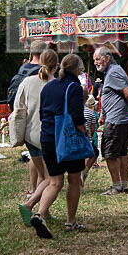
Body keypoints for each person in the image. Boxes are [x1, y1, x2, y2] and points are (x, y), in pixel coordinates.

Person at [29, 54, 89, 239]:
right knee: (73, 180)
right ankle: (70, 221)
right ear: (78, 70)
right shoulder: (75, 87)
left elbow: (41, 113)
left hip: (47, 138)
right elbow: (77, 117)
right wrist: (85, 133)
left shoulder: (48, 87)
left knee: (54, 181)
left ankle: (39, 214)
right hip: (68, 139)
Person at [16, 49, 58, 208]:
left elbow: (18, 107)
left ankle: (41, 211)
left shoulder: (26, 82)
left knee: (43, 177)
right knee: (51, 179)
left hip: (29, 135)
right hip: (48, 136)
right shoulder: (57, 85)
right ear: (57, 66)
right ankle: (33, 207)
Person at [93, 46, 128, 195]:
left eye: (98, 59)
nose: (95, 63)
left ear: (107, 58)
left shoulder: (113, 72)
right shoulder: (113, 71)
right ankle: (123, 186)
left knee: (110, 154)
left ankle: (116, 186)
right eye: (94, 60)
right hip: (120, 119)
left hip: (116, 120)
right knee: (122, 153)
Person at [10, 40, 48, 195]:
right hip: (37, 119)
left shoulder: (23, 68)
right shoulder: (40, 72)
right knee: (42, 160)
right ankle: (39, 189)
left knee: (34, 155)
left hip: (23, 117)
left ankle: (32, 187)